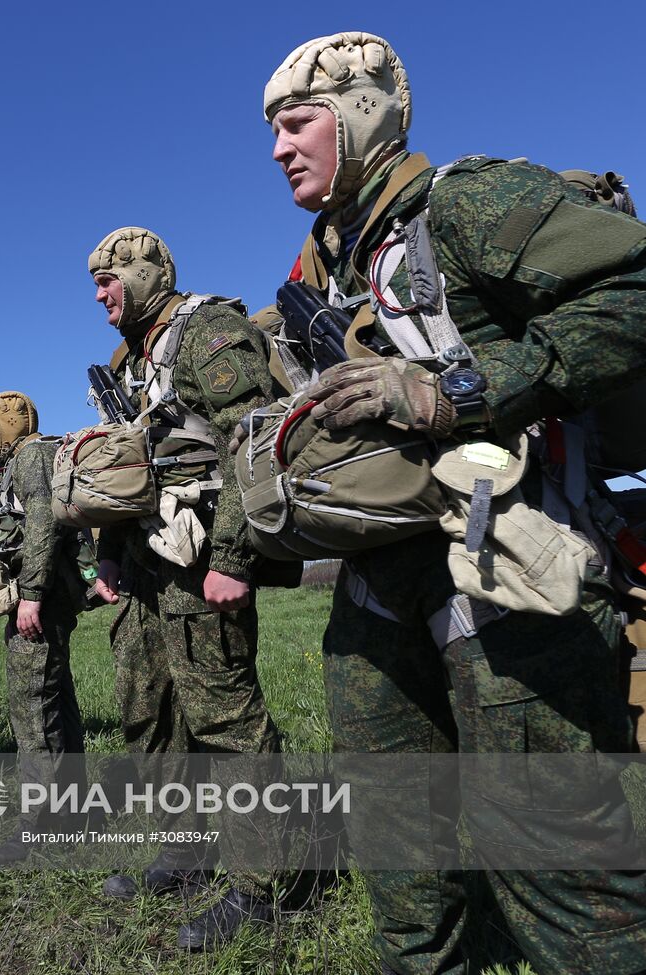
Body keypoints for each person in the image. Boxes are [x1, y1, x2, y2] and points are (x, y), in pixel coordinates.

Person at [262, 31, 646, 974]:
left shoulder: (469, 201)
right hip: (377, 596)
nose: (278, 148)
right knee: (400, 854)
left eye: (297, 121)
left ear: (361, 113)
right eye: (271, 131)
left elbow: (634, 289)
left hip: (509, 582)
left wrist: (449, 390)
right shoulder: (321, 268)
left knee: (561, 868)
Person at [86, 227, 283, 945]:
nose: (100, 296)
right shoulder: (127, 365)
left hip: (201, 560)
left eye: (108, 280)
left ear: (144, 272)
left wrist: (234, 553)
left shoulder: (209, 329)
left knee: (225, 718)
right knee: (151, 712)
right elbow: (119, 469)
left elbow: (256, 438)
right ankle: (186, 851)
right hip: (142, 566)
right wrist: (107, 559)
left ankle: (263, 886)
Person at [0, 392, 87, 862]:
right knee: (54, 700)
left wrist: (32, 594)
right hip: (41, 595)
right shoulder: (22, 460)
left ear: (10, 422)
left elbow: (43, 522)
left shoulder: (32, 455)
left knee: (32, 707)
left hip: (39, 599)